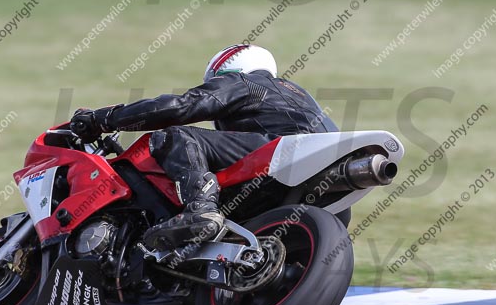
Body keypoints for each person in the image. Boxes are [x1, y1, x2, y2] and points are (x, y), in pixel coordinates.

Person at [70, 44, 338, 250]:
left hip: (284, 151)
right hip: (324, 180)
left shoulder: (246, 81)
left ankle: (200, 209)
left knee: (176, 136)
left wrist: (102, 119)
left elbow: (180, 107)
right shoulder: (300, 95)